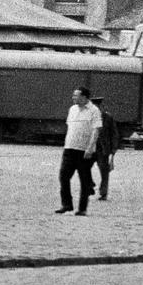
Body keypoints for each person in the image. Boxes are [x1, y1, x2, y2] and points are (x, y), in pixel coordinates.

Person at [57, 87, 101, 216]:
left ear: (84, 97)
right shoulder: (72, 109)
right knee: (63, 176)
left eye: (76, 96)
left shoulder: (94, 110)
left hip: (84, 150)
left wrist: (90, 148)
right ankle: (67, 204)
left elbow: (96, 130)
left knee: (84, 180)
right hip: (69, 148)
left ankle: (82, 208)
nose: (73, 98)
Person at [93, 99, 120, 201]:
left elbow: (114, 134)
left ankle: (103, 192)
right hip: (90, 148)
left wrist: (113, 150)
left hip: (102, 149)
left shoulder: (107, 117)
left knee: (104, 171)